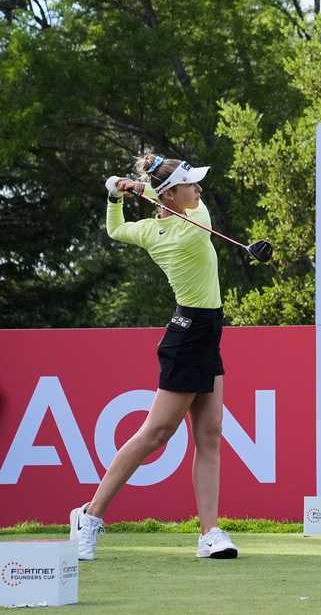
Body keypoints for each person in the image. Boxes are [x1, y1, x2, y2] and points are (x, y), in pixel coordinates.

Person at [70, 154, 238, 561]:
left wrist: (116, 194)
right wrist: (137, 187)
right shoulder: (193, 229)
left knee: (210, 434)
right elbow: (183, 205)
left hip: (204, 334)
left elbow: (115, 229)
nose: (198, 190)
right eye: (191, 184)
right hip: (188, 338)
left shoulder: (150, 228)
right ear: (173, 194)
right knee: (155, 435)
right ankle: (89, 517)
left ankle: (210, 534)